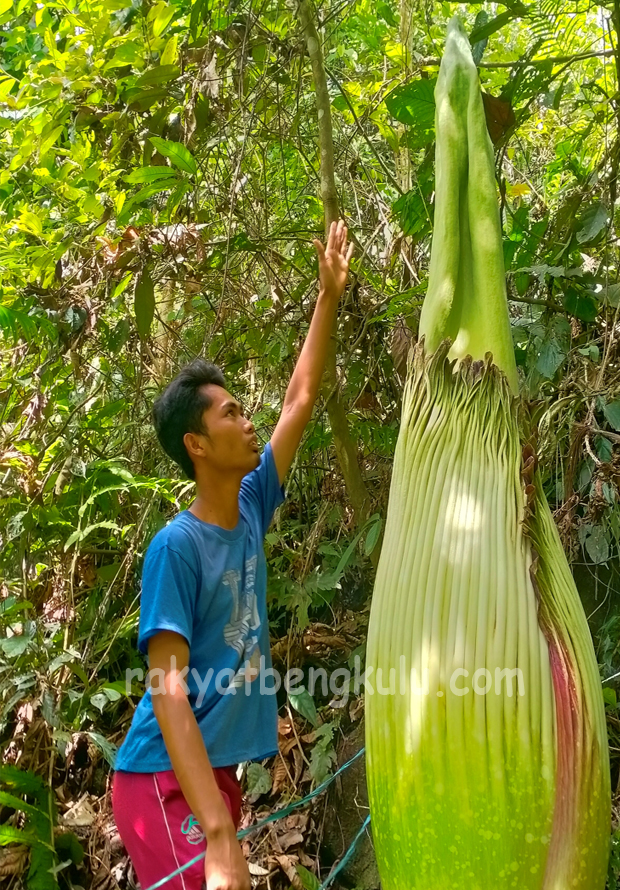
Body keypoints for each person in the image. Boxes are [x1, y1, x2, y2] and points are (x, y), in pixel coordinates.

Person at [111, 221, 354, 890]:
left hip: (214, 777)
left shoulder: (250, 505)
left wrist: (327, 296)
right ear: (196, 444)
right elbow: (167, 690)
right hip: (162, 779)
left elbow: (301, 399)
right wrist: (217, 828)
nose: (250, 422)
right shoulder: (175, 547)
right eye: (231, 413)